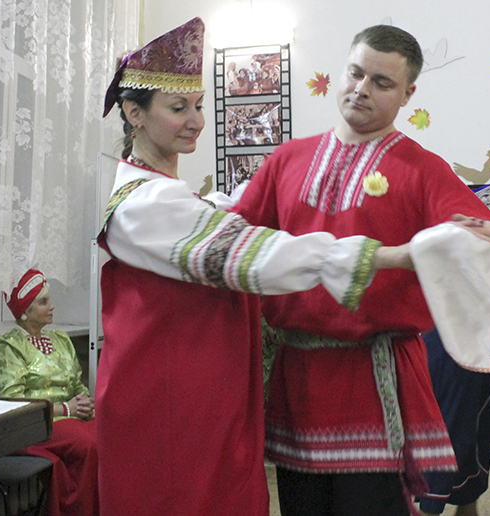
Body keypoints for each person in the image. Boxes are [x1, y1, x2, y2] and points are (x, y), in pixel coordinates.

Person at [97, 17, 413, 516]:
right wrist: (393, 255)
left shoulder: (177, 201)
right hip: (168, 408)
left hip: (203, 399)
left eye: (199, 105)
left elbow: (227, 211)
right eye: (178, 108)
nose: (196, 121)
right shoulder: (143, 207)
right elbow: (253, 254)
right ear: (134, 113)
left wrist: (306, 169)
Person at [233, 25, 490, 516]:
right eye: (355, 73)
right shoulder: (287, 159)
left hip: (375, 380)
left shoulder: (422, 169)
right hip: (297, 380)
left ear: (408, 94)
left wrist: (457, 242)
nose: (361, 89)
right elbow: (236, 242)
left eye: (382, 83)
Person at [0, 269, 98, 516]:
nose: (52, 306)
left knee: (109, 434)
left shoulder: (60, 339)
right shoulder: (8, 346)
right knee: (88, 444)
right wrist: (64, 409)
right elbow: (13, 403)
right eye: (43, 302)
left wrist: (85, 401)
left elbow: (76, 383)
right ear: (24, 311)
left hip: (69, 418)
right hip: (34, 427)